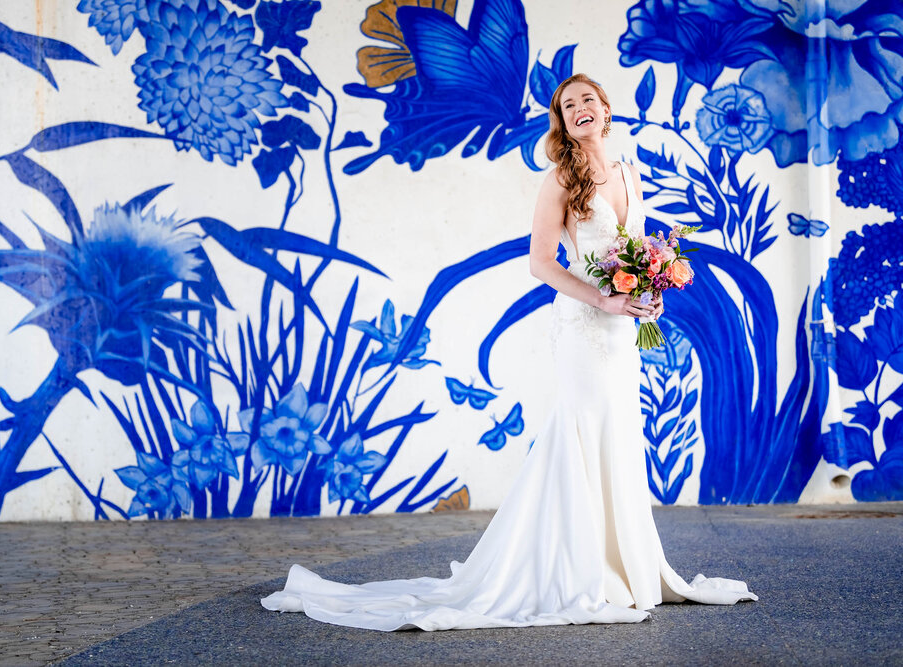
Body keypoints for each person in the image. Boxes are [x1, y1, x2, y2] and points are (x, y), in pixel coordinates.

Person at [260, 73, 758, 631]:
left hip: (622, 332)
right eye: (568, 106)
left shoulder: (627, 172)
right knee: (581, 433)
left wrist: (647, 299)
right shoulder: (559, 182)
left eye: (587, 100)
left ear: (606, 109)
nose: (579, 109)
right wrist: (603, 299)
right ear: (563, 121)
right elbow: (541, 264)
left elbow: (632, 252)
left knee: (617, 437)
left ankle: (629, 570)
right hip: (584, 329)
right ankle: (580, 573)